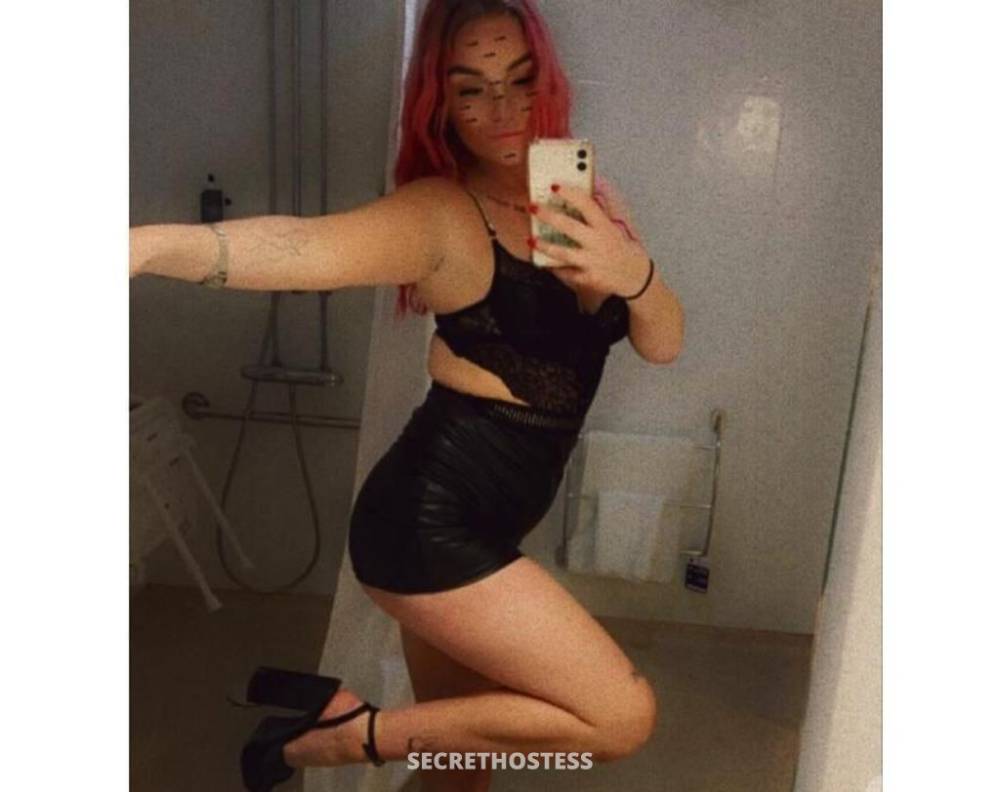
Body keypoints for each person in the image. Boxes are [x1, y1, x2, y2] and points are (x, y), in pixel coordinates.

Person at [130, 1, 684, 789]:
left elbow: (664, 343)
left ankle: (347, 726)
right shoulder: (441, 214)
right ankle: (346, 736)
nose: (502, 108)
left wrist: (634, 272)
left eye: (520, 79)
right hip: (426, 523)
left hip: (491, 521)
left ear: (549, 81)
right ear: (440, 103)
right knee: (619, 717)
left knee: (462, 773)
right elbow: (302, 247)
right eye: (472, 89)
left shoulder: (578, 199)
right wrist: (143, 246)